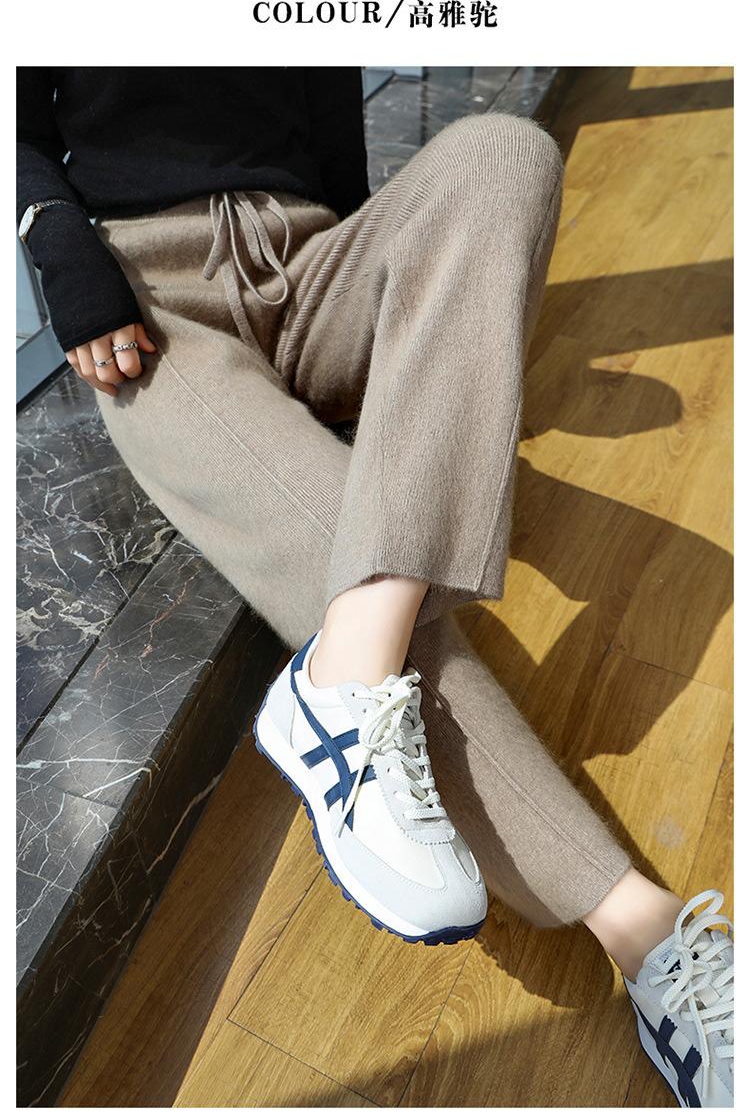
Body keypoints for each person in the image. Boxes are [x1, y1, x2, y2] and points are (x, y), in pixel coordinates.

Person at [17, 67, 733, 1107]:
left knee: (504, 152)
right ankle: (648, 934)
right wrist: (58, 243)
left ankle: (342, 682)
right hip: (152, 312)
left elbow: (325, 118)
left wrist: (396, 321)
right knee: (369, 589)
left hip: (317, 263)